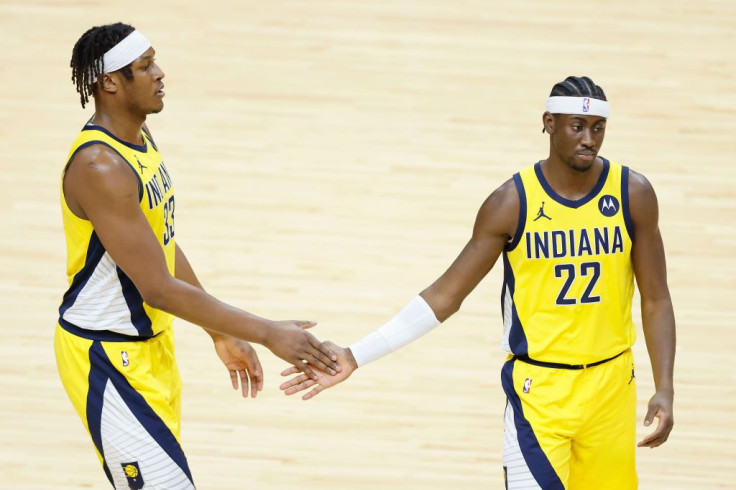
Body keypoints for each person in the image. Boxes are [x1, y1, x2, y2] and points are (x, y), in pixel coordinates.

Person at [280, 76, 675, 489]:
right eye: (577, 126)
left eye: (598, 128)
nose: (589, 139)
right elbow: (446, 296)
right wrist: (355, 355)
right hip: (539, 394)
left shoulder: (633, 194)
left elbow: (656, 300)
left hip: (613, 387)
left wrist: (664, 386)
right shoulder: (511, 202)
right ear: (549, 123)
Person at [56, 22, 340, 490]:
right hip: (107, 358)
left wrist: (219, 332)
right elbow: (157, 287)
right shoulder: (99, 166)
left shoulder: (140, 141)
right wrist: (267, 331)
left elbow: (159, 245)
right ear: (110, 82)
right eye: (145, 67)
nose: (160, 74)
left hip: (150, 350)